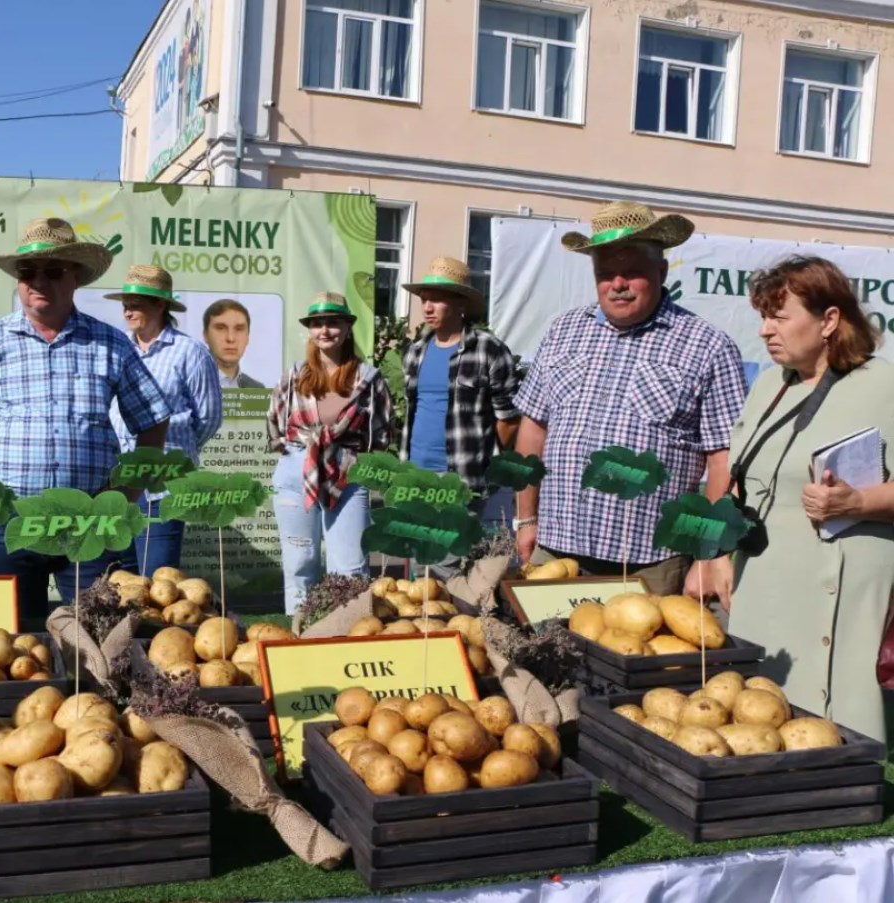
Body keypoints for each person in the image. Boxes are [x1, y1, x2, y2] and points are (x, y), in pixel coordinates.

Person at [703, 256, 894, 741]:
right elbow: (741, 478)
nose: (766, 330)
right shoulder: (770, 384)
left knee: (828, 720)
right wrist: (723, 554)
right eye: (763, 317)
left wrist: (859, 503)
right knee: (759, 712)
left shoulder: (884, 385)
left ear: (829, 320)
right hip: (763, 575)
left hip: (838, 583)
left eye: (779, 316)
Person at [512, 201, 747, 596]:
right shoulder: (563, 331)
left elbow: (724, 458)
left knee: (641, 657)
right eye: (605, 274)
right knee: (543, 656)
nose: (617, 284)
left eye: (632, 272)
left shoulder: (708, 346)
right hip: (555, 551)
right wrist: (526, 520)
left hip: (651, 562)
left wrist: (709, 555)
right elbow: (533, 430)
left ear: (661, 271)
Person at [0, 218, 171, 618]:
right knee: (15, 647)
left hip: (92, 519)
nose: (38, 281)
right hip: (11, 521)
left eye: (53, 271)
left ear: (76, 278)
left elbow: (153, 421)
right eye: (27, 272)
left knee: (101, 640)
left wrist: (122, 497)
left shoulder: (110, 342)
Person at [267, 294, 394, 614]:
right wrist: (302, 452)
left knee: (349, 566)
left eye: (333, 323)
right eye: (317, 324)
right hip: (298, 470)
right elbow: (274, 422)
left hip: (348, 473)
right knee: (300, 563)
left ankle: (347, 633)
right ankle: (299, 636)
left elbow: (382, 431)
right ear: (310, 330)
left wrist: (346, 456)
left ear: (348, 327)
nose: (325, 330)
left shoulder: (368, 378)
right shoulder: (294, 374)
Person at [106, 264, 223, 574]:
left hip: (165, 484)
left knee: (158, 577)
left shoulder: (190, 352)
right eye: (125, 305)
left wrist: (172, 450)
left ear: (160, 304)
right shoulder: (117, 349)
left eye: (136, 304)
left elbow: (209, 417)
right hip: (118, 479)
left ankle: (159, 627)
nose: (128, 311)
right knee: (118, 578)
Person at [399, 256, 521, 494]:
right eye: (424, 300)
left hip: (463, 479)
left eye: (436, 299)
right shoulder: (415, 353)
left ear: (461, 305)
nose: (427, 307)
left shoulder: (488, 349)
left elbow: (509, 419)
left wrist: (483, 462)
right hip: (414, 475)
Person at [203, 299, 264, 389]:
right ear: (205, 335)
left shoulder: (257, 389)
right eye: (220, 328)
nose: (230, 338)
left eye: (239, 329)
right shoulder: (185, 385)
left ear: (247, 337)